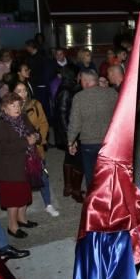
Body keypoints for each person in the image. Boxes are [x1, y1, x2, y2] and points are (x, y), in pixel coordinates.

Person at [0, 92, 39, 237]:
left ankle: (22, 219)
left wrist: (36, 135)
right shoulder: (1, 126)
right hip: (9, 170)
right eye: (12, 105)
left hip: (25, 164)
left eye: (18, 105)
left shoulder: (23, 118)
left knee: (24, 195)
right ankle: (12, 227)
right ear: (4, 108)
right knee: (13, 200)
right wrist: (26, 142)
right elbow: (2, 148)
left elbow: (32, 131)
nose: (17, 108)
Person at [12, 82, 59, 218]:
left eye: (25, 90)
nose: (23, 94)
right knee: (22, 179)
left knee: (43, 175)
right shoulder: (10, 108)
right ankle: (21, 208)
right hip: (20, 151)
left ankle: (48, 204)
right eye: (19, 91)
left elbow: (44, 123)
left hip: (36, 148)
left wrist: (41, 139)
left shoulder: (35, 104)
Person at [67, 69, 118, 190]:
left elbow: (75, 122)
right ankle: (109, 201)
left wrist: (70, 142)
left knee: (91, 177)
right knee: (108, 175)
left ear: (85, 82)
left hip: (88, 144)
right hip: (108, 142)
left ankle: (94, 203)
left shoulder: (79, 97)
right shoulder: (112, 93)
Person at [53, 66, 84, 202]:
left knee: (69, 157)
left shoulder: (67, 88)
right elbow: (63, 114)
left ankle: (68, 187)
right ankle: (75, 191)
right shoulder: (66, 91)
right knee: (77, 160)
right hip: (69, 131)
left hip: (68, 131)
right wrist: (70, 137)